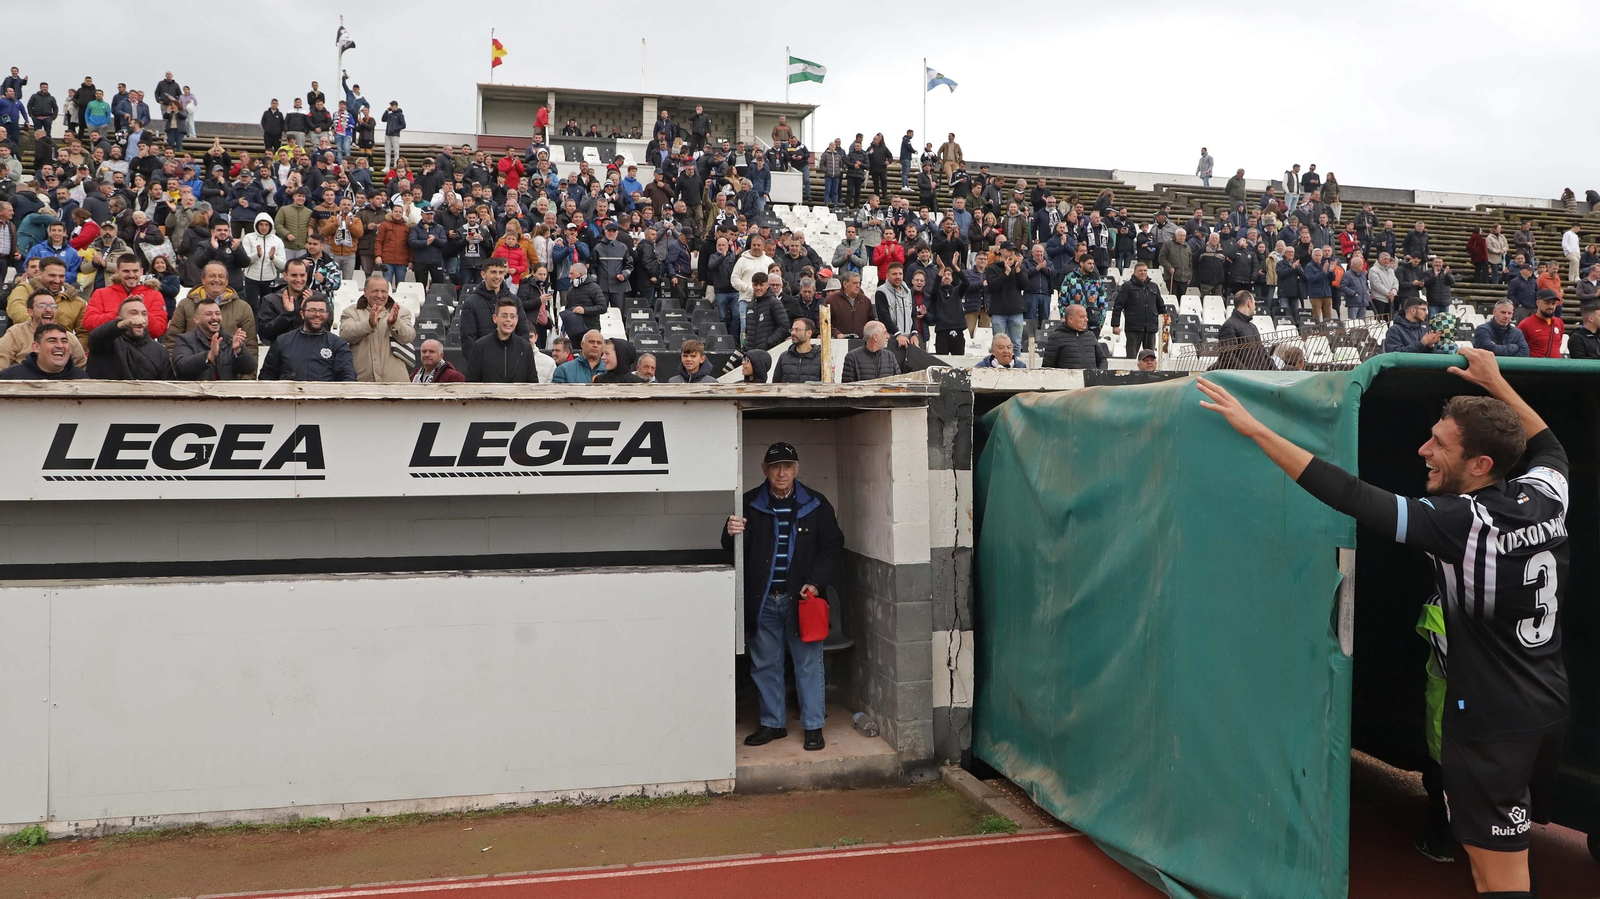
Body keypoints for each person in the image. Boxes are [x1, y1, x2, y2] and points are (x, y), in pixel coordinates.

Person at [1198, 348, 1569, 899]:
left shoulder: (1458, 522)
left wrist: (1255, 430)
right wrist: (1496, 382)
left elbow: (1349, 494)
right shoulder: (1547, 493)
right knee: (1489, 863)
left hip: (1491, 722)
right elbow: (1549, 443)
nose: (1423, 450)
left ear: (1481, 464)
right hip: (1546, 703)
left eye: (1439, 444)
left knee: (1502, 878)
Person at [724, 442, 845, 753]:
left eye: (787, 467)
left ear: (797, 469)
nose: (781, 473)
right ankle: (773, 723)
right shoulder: (748, 503)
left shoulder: (816, 503)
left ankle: (813, 726)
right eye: (775, 467)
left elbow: (833, 546)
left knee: (808, 664)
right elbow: (731, 549)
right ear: (765, 470)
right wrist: (729, 532)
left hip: (802, 601)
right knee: (765, 664)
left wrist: (816, 583)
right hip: (764, 599)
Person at [259, 295, 355, 381]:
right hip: (289, 394)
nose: (317, 314)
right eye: (312, 310)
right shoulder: (283, 341)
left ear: (327, 315)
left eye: (322, 311)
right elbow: (267, 375)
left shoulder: (338, 344)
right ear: (302, 314)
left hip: (325, 395)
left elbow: (347, 375)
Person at [339, 274, 415, 382]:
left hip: (395, 382)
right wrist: (369, 324)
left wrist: (395, 323)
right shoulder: (351, 312)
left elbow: (409, 337)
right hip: (363, 381)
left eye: (384, 291)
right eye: (375, 291)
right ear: (365, 292)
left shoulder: (401, 311)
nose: (380, 295)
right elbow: (345, 335)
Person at [87, 295, 172, 379]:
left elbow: (167, 383)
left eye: (144, 314)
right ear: (119, 319)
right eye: (133, 313)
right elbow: (96, 337)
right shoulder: (107, 342)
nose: (140, 317)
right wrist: (124, 324)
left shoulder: (160, 351)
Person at [172, 295, 256, 380]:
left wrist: (239, 351)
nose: (215, 318)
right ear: (196, 319)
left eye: (218, 313)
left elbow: (249, 369)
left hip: (225, 388)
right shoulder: (184, 340)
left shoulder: (230, 340)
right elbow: (181, 367)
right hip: (196, 388)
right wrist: (209, 356)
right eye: (208, 314)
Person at [84, 253, 168, 337]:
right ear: (117, 272)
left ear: (141, 271)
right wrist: (122, 311)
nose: (131, 275)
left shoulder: (155, 295)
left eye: (135, 271)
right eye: (126, 271)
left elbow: (159, 330)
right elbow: (89, 324)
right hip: (110, 343)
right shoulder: (101, 293)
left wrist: (140, 311)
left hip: (140, 344)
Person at [0, 289, 86, 369]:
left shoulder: (69, 337)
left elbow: (82, 368)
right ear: (30, 311)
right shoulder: (15, 333)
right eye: (42, 306)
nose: (48, 310)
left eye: (53, 306)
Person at [466, 298, 539, 383]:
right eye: (504, 316)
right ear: (495, 318)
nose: (509, 320)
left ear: (517, 319)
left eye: (512, 316)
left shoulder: (525, 347)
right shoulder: (480, 346)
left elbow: (532, 381)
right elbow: (472, 381)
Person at [1111, 261, 1163, 358]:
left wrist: (1166, 325)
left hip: (1150, 328)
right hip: (1133, 328)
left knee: (1149, 357)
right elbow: (1118, 306)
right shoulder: (1127, 286)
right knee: (1131, 357)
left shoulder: (1154, 286)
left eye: (1145, 270)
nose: (1143, 273)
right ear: (1135, 272)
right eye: (1140, 271)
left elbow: (1161, 307)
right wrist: (1115, 325)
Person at [0, 322, 86, 379]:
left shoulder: (80, 377)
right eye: (52, 341)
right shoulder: (12, 376)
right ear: (36, 347)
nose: (60, 346)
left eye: (64, 341)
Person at [983, 244, 1027, 351]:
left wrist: (1018, 270)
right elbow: (993, 286)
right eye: (1009, 250)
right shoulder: (992, 268)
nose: (1012, 252)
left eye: (1013, 250)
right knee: (998, 344)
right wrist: (1006, 273)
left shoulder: (1019, 267)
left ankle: (1016, 362)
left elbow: (1025, 286)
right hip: (998, 310)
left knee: (1016, 344)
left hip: (1016, 310)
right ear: (1001, 251)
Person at [1213, 291, 1270, 370]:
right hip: (1245, 376)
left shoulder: (1253, 327)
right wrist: (1245, 374)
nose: (1255, 307)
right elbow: (1227, 357)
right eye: (1254, 303)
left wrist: (1277, 372)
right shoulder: (1229, 326)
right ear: (1249, 303)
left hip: (1256, 375)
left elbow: (1263, 354)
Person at [1042, 304, 1107, 370]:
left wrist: (1099, 373)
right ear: (1070, 319)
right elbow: (1048, 367)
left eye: (1086, 316)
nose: (1086, 319)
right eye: (1082, 317)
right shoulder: (1056, 337)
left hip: (1090, 376)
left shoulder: (1091, 336)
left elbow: (1102, 360)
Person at [1518, 289, 1564, 358]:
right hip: (1534, 364)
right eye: (1547, 303)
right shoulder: (1526, 324)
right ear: (1538, 303)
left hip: (1555, 364)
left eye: (1553, 303)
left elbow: (1558, 344)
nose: (1551, 306)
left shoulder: (1559, 322)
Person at [775, 318, 823, 383]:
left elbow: (828, 385)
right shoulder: (784, 357)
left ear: (809, 333)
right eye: (792, 330)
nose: (793, 333)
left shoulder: (821, 358)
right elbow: (776, 384)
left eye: (797, 330)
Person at [380, 100, 406, 172]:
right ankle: (387, 166)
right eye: (391, 106)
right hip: (388, 134)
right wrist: (386, 111)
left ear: (396, 106)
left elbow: (403, 125)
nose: (391, 107)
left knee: (396, 151)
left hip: (395, 135)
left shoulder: (400, 115)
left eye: (392, 106)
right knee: (387, 151)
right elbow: (383, 119)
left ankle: (395, 165)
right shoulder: (389, 115)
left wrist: (395, 129)